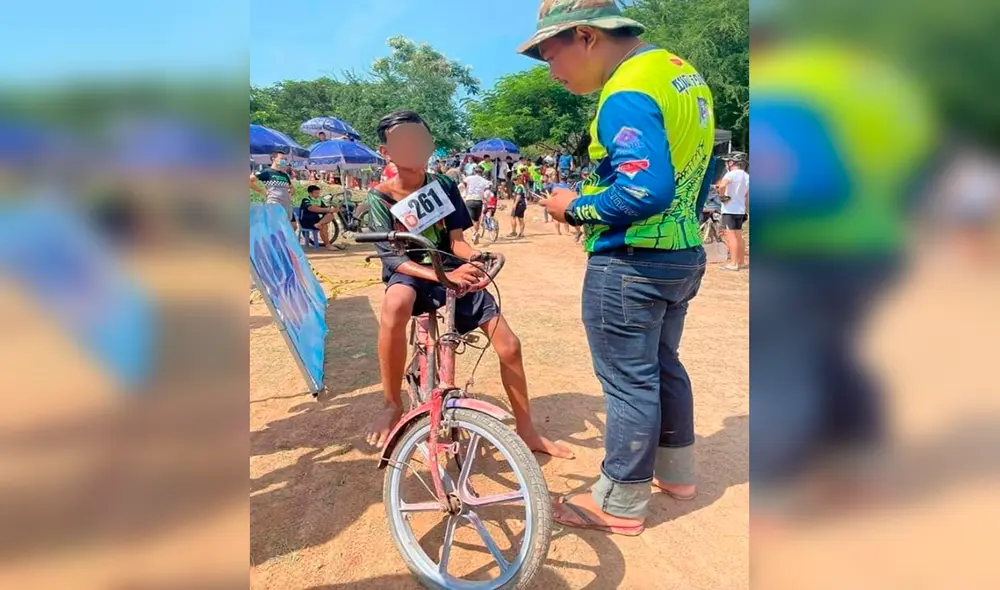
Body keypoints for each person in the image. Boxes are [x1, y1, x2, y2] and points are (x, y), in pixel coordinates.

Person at [522, 0, 716, 535]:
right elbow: (695, 174)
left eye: (550, 53)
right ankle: (676, 473)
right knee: (663, 363)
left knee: (629, 382)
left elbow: (644, 189)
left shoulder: (625, 90)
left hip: (631, 263)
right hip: (681, 252)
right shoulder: (680, 73)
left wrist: (574, 207)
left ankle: (619, 503)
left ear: (586, 36)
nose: (551, 70)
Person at [362, 110, 572, 458]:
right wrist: (442, 275)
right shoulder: (380, 196)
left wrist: (473, 257)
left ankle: (527, 429)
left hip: (450, 267)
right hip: (412, 271)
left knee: (510, 345)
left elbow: (456, 239)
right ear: (386, 152)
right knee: (395, 303)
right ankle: (391, 403)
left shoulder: (443, 185)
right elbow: (394, 259)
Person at [715, 152, 750, 270]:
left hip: (730, 209)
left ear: (732, 163)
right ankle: (740, 261)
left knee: (731, 236)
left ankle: (733, 263)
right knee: (738, 236)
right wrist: (746, 210)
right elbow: (747, 195)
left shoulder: (730, 174)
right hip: (740, 210)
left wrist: (722, 197)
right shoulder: (746, 176)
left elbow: (722, 185)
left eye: (727, 162)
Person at [250, 151, 296, 225]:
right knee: (277, 227)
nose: (284, 160)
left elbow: (291, 187)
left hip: (286, 204)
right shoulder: (266, 172)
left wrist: (291, 191)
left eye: (285, 159)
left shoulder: (284, 175)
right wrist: (261, 190)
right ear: (274, 159)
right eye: (281, 158)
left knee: (293, 226)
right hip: (274, 203)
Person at [299, 184, 342, 250]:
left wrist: (334, 209)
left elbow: (326, 209)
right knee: (324, 226)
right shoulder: (306, 200)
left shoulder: (319, 200)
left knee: (330, 216)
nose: (318, 195)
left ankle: (328, 245)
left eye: (318, 193)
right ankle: (328, 245)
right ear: (310, 193)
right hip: (307, 221)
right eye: (316, 193)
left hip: (317, 220)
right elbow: (311, 208)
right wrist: (326, 209)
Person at [461, 166, 491, 245]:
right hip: (479, 201)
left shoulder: (469, 178)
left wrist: (463, 193)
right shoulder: (485, 181)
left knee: (470, 219)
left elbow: (462, 185)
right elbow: (487, 192)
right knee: (477, 219)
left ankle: (474, 233)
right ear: (482, 172)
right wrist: (485, 198)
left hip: (469, 200)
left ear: (474, 171)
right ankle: (475, 233)